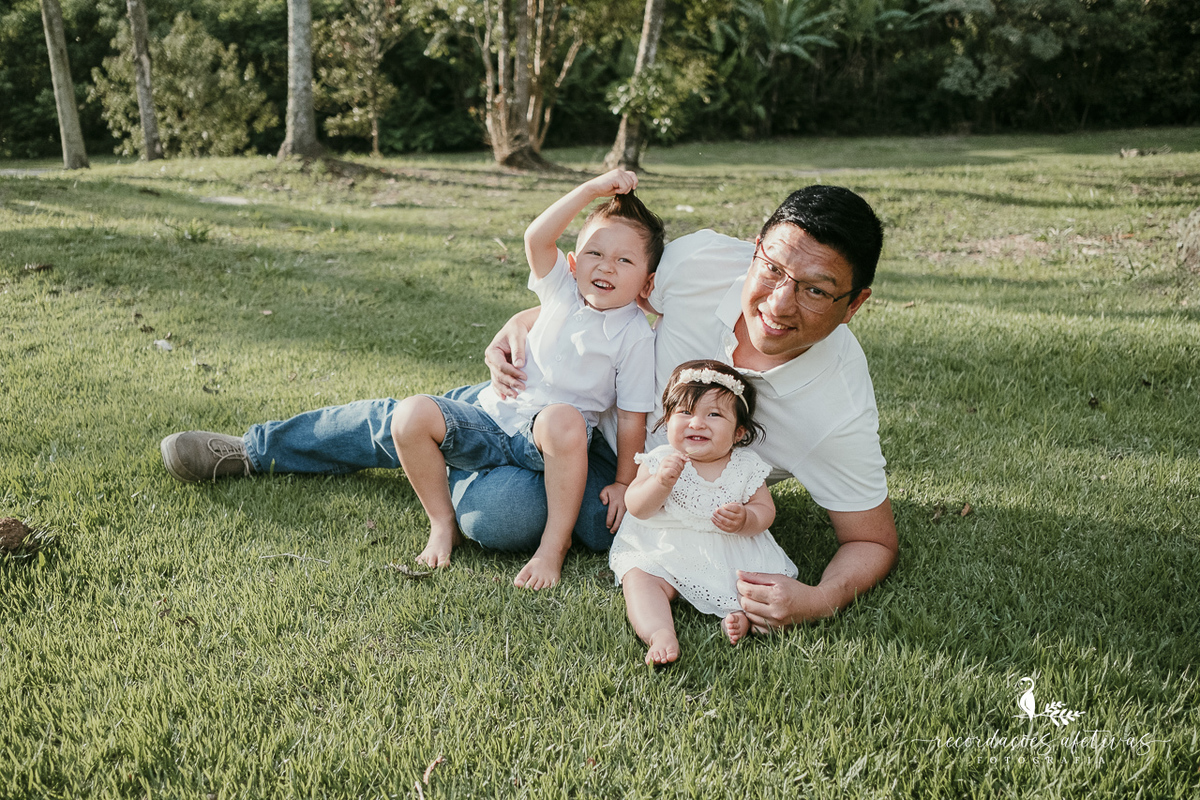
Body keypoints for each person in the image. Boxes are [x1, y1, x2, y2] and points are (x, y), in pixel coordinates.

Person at [160, 170, 664, 589]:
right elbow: (537, 238)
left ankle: (455, 480)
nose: (606, 267)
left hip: (552, 441)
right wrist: (592, 190)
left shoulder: (635, 336)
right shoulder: (562, 291)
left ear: (646, 283)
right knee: (401, 418)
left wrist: (623, 483)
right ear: (575, 263)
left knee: (553, 469)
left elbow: (630, 421)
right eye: (596, 254)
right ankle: (257, 450)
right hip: (495, 410)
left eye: (623, 261)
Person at [485, 184, 899, 630]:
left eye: (816, 291)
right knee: (471, 438)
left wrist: (820, 599)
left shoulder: (838, 409)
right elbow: (601, 293)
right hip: (572, 411)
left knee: (502, 515)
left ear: (854, 304)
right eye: (773, 269)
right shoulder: (699, 262)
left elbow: (873, 541)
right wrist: (525, 320)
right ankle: (439, 420)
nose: (778, 304)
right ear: (754, 250)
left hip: (621, 480)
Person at [611, 360, 797, 665]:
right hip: (663, 547)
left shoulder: (745, 466)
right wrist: (660, 483)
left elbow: (766, 510)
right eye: (685, 412)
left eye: (713, 414)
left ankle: (740, 618)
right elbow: (637, 506)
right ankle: (659, 632)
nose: (696, 423)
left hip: (726, 550)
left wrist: (746, 519)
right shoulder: (659, 459)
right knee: (640, 580)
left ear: (738, 432)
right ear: (667, 419)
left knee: (752, 588)